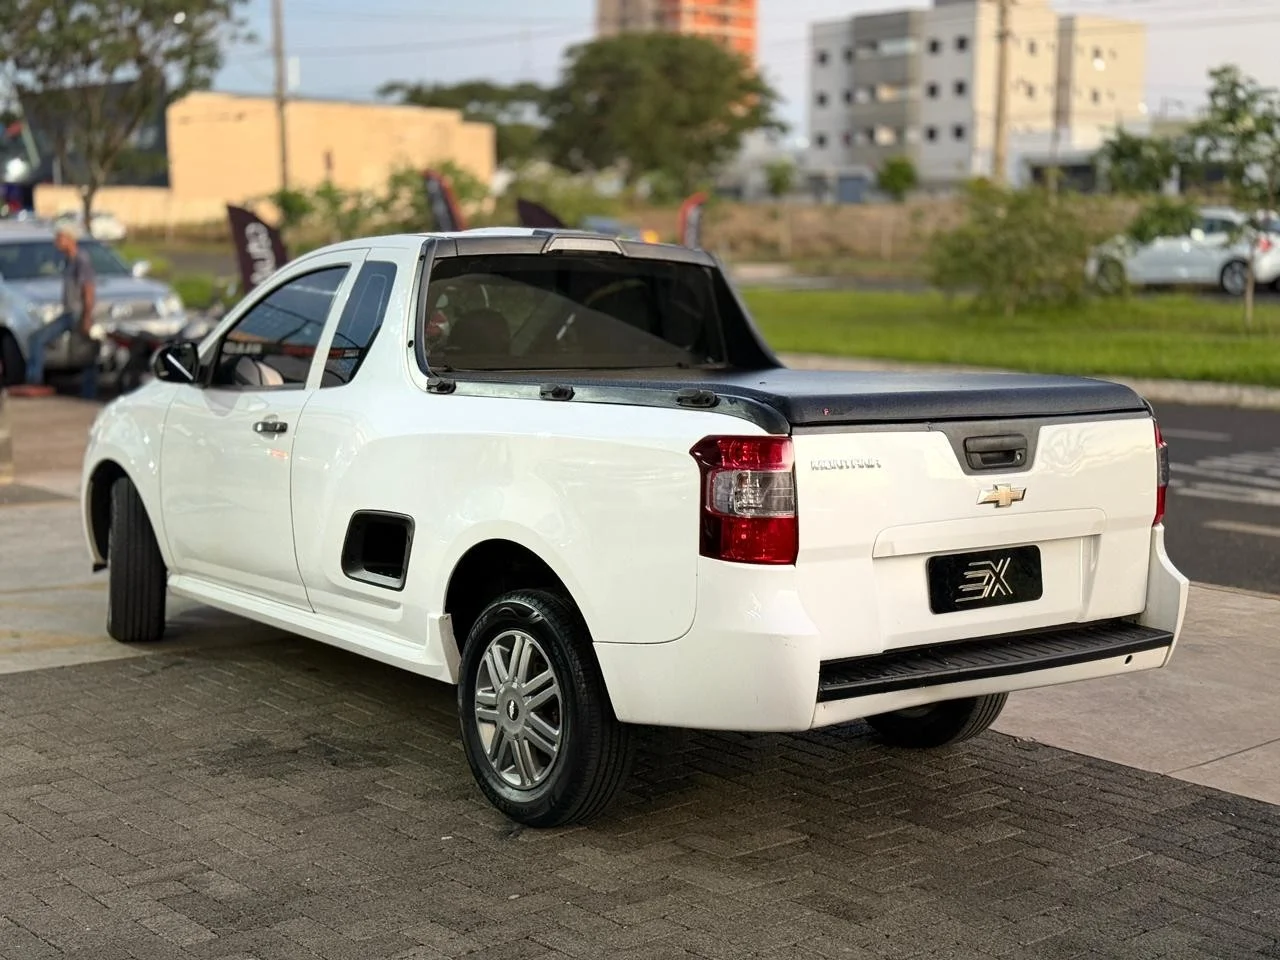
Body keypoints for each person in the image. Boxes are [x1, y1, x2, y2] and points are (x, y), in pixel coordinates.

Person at [20, 225, 99, 399]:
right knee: (39, 340)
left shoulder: (81, 260)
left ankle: (88, 392)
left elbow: (89, 289)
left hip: (77, 313)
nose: (56, 242)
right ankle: (36, 381)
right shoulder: (68, 260)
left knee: (84, 352)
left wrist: (87, 317)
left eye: (59, 238)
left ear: (70, 239)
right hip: (69, 312)